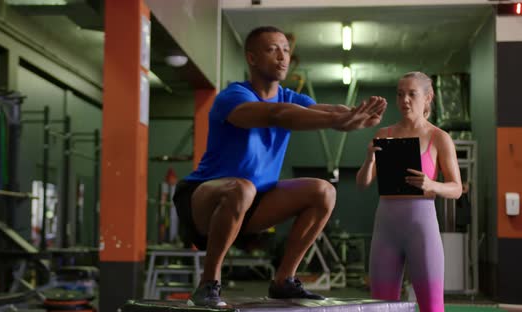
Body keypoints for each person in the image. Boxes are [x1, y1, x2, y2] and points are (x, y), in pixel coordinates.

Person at [172, 25, 387, 307]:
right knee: (242, 187)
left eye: (286, 50)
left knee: (324, 191)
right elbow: (276, 115)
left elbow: (324, 110)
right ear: (251, 58)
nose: (282, 56)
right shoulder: (233, 97)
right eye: (273, 49)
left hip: (255, 202)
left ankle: (284, 280)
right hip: (203, 200)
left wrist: (353, 116)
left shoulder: (290, 98)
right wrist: (339, 121)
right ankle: (208, 284)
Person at [356, 71, 462, 312]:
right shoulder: (384, 135)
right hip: (386, 228)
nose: (404, 100)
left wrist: (431, 185)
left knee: (432, 307)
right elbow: (362, 185)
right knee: (381, 307)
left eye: (411, 94)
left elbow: (456, 188)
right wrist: (370, 158)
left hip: (421, 228)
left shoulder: (439, 138)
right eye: (400, 94)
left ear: (427, 97)